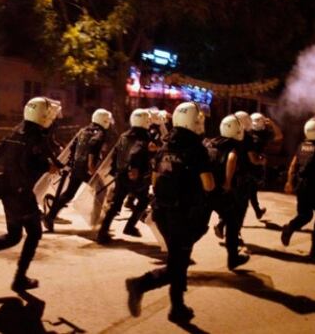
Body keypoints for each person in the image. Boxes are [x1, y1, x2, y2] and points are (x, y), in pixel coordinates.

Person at [125, 102, 214, 323]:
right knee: (178, 264)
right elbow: (209, 185)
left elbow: (155, 179)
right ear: (193, 121)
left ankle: (178, 307)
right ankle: (141, 284)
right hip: (184, 215)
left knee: (179, 259)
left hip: (163, 212)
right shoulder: (197, 149)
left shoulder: (166, 145)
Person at [0, 97, 63, 291]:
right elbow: (29, 164)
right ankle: (19, 279)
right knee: (34, 233)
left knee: (14, 235)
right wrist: (46, 166)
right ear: (42, 115)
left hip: (8, 190)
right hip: (22, 194)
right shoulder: (35, 138)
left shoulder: (17, 132)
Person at [43, 108, 113, 232]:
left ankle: (50, 216)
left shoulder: (83, 130)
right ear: (104, 120)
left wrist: (70, 163)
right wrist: (91, 166)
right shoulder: (100, 133)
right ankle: (95, 219)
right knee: (101, 190)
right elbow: (93, 144)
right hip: (87, 169)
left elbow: (73, 147)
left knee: (69, 193)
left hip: (77, 167)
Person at [281, 118, 315, 263]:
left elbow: (293, 165)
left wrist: (289, 181)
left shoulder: (302, 146)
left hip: (302, 186)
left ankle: (290, 227)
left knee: (305, 215)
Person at [96, 108, 152, 243]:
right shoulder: (145, 137)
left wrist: (115, 171)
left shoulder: (124, 136)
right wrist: (135, 167)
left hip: (121, 175)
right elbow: (137, 152)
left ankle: (102, 232)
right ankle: (130, 226)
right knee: (144, 201)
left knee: (115, 204)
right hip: (137, 176)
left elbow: (115, 154)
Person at [206, 115, 250, 269]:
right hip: (219, 191)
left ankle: (179, 255)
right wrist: (228, 182)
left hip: (205, 189)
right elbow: (231, 159)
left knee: (197, 226)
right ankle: (233, 259)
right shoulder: (233, 145)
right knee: (232, 223)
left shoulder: (210, 142)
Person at [248, 112, 283, 219]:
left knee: (251, 191)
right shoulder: (262, 135)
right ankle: (223, 222)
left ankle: (258, 211)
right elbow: (279, 136)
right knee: (245, 193)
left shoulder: (247, 133)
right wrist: (272, 124)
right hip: (253, 167)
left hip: (246, 166)